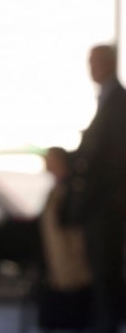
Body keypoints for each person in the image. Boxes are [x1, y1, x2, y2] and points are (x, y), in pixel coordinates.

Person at [62, 44, 126, 333]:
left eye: (94, 62)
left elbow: (114, 157)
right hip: (100, 205)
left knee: (106, 273)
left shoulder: (118, 102)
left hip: (106, 206)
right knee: (101, 273)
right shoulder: (108, 100)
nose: (90, 68)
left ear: (108, 64)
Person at [38, 146, 93, 332]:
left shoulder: (73, 189)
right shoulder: (59, 190)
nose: (46, 163)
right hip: (59, 259)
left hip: (74, 263)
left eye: (50, 159)